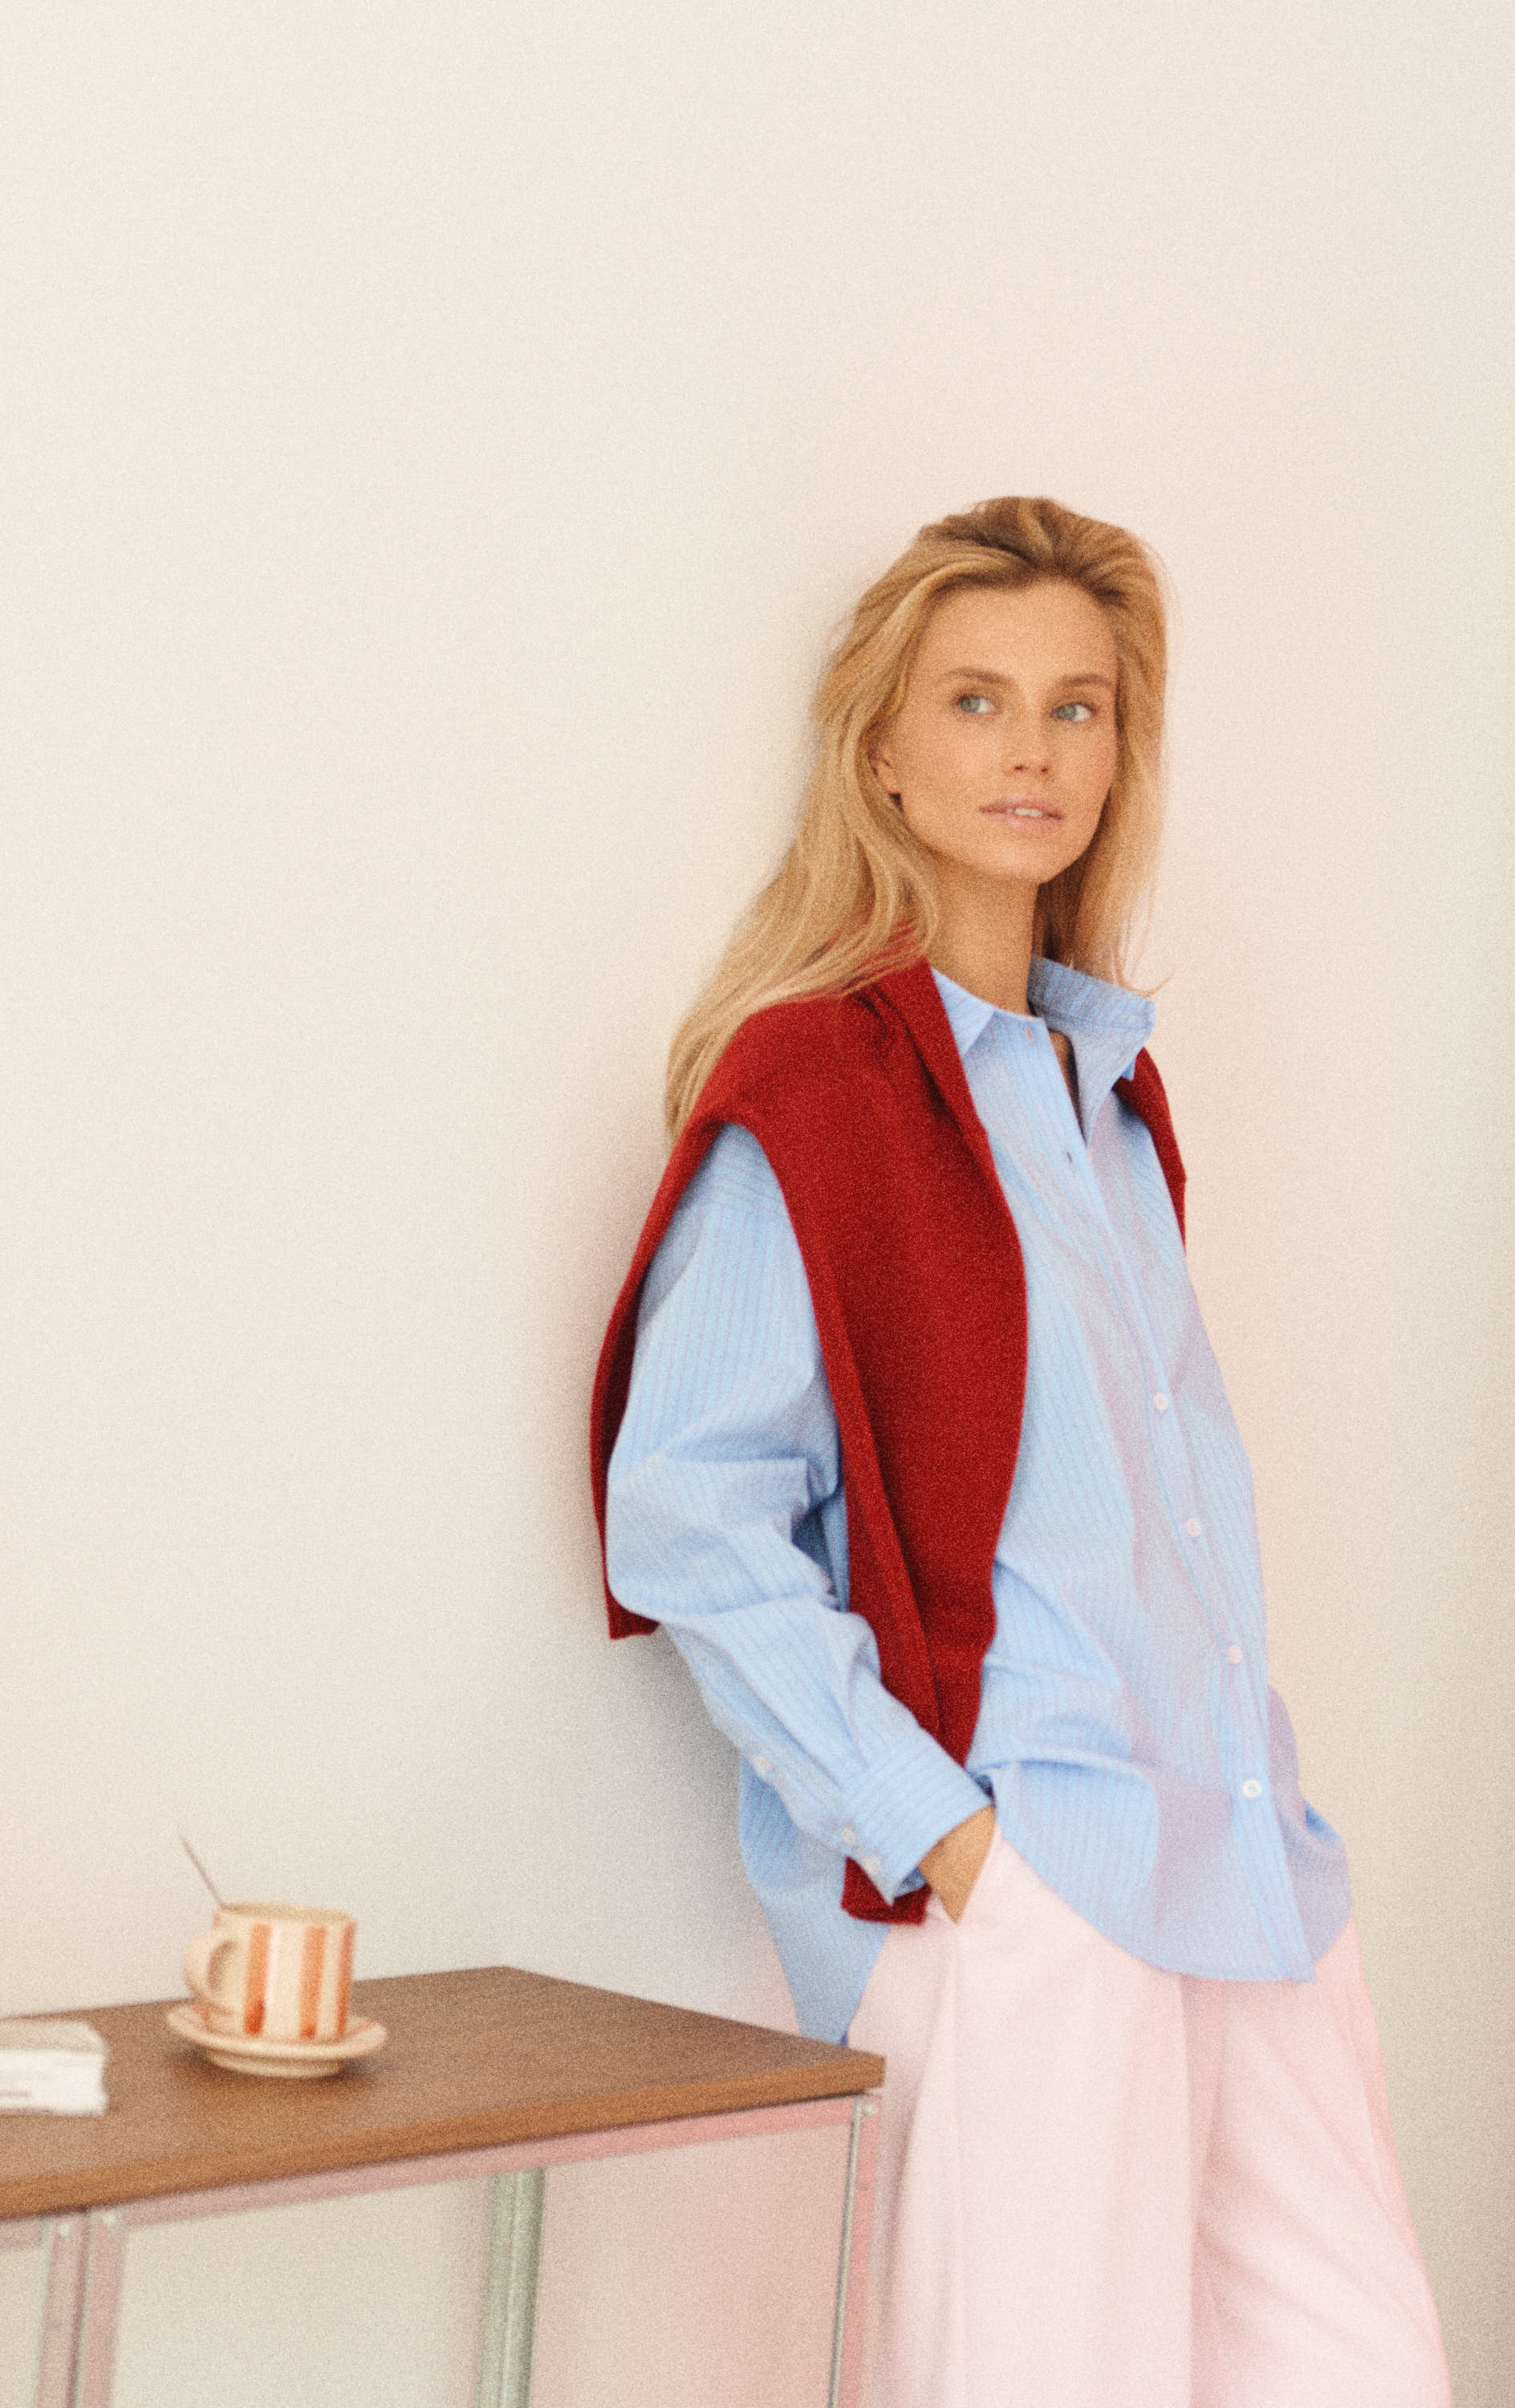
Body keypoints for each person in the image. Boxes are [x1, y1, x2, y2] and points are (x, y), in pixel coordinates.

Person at [589, 497, 1452, 2408]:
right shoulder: (814, 1093)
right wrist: (953, 1845)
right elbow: (689, 1518)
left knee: (1366, 2367)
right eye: (974, 701)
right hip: (1040, 1890)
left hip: (1245, 1873)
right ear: (883, 752)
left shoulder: (1111, 1098)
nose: (1032, 750)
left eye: (1078, 707)